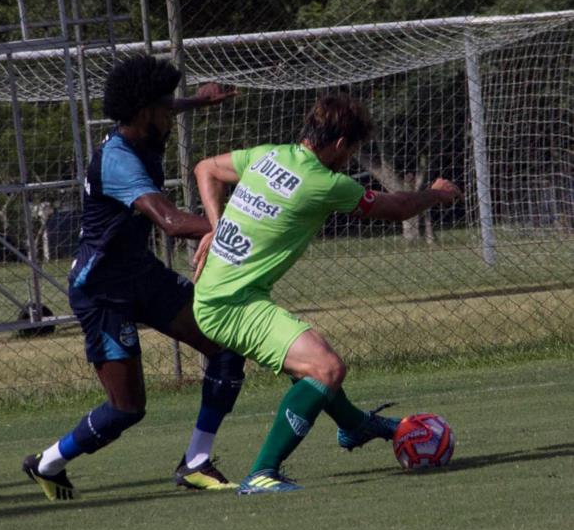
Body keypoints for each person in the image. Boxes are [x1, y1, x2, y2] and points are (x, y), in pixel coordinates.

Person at [192, 94, 463, 494]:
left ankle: (354, 425)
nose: (351, 159)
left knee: (311, 366)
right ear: (339, 145)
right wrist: (436, 194)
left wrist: (214, 226)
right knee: (326, 368)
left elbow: (206, 168)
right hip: (229, 306)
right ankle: (262, 473)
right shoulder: (323, 183)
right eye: (352, 151)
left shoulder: (269, 156)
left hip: (224, 295)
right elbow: (398, 207)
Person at [22, 53, 247, 501]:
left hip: (141, 275)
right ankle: (47, 463)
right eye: (166, 109)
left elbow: (162, 106)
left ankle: (196, 461)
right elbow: (172, 222)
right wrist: (244, 224)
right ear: (145, 113)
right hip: (102, 292)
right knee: (127, 409)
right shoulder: (119, 161)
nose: (171, 114)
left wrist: (195, 102)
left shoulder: (142, 125)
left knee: (226, 348)